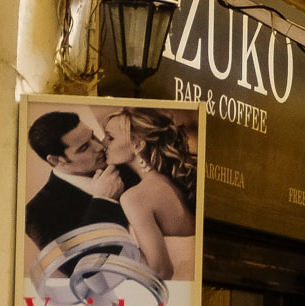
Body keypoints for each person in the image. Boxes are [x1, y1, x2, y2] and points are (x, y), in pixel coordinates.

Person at [101, 108, 197, 281]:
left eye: (110, 137)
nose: (103, 143)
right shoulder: (169, 182)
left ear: (138, 145)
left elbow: (160, 272)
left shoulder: (135, 197)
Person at [24, 110, 130, 257]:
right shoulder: (37, 214)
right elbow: (76, 265)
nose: (99, 147)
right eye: (84, 148)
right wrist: (104, 202)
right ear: (56, 160)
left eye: (93, 136)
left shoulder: (123, 163)